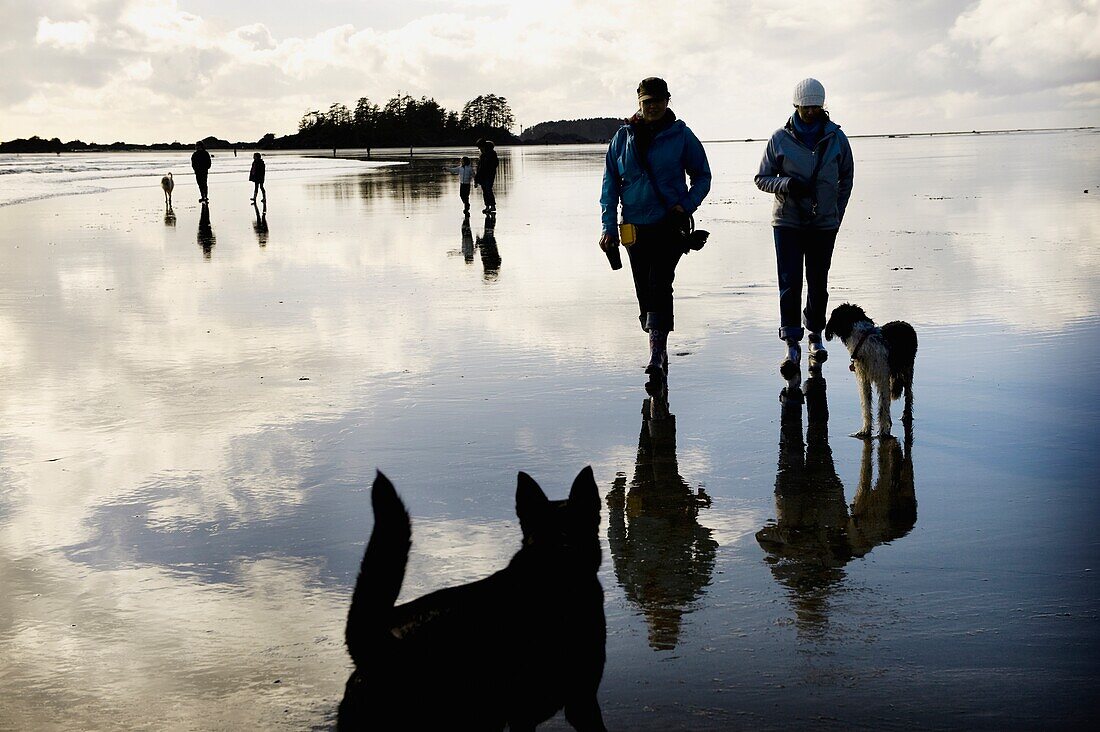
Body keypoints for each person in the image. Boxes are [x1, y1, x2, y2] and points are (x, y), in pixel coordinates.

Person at [599, 77, 712, 381]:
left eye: (658, 101)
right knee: (643, 291)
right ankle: (657, 343)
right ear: (639, 103)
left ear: (667, 101)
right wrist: (608, 226)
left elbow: (702, 176)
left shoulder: (681, 136)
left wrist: (685, 205)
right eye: (647, 102)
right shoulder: (622, 138)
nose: (653, 107)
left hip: (668, 226)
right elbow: (610, 185)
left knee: (660, 283)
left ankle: (655, 353)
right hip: (633, 228)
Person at [754, 78, 854, 369]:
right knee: (790, 282)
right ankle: (791, 342)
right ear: (796, 105)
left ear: (823, 105)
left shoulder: (836, 138)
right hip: (787, 221)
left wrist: (836, 213)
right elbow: (762, 178)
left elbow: (846, 178)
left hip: (824, 223)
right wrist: (786, 184)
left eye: (816, 106)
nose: (811, 111)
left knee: (818, 282)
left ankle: (815, 336)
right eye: (805, 106)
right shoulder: (780, 139)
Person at [474, 139, 498, 214]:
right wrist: (477, 178)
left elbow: (494, 164)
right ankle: (487, 206)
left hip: (489, 175)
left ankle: (492, 206)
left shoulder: (491, 154)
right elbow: (479, 167)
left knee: (488, 189)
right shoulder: (483, 154)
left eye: (480, 147)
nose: (479, 149)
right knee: (485, 191)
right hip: (483, 175)